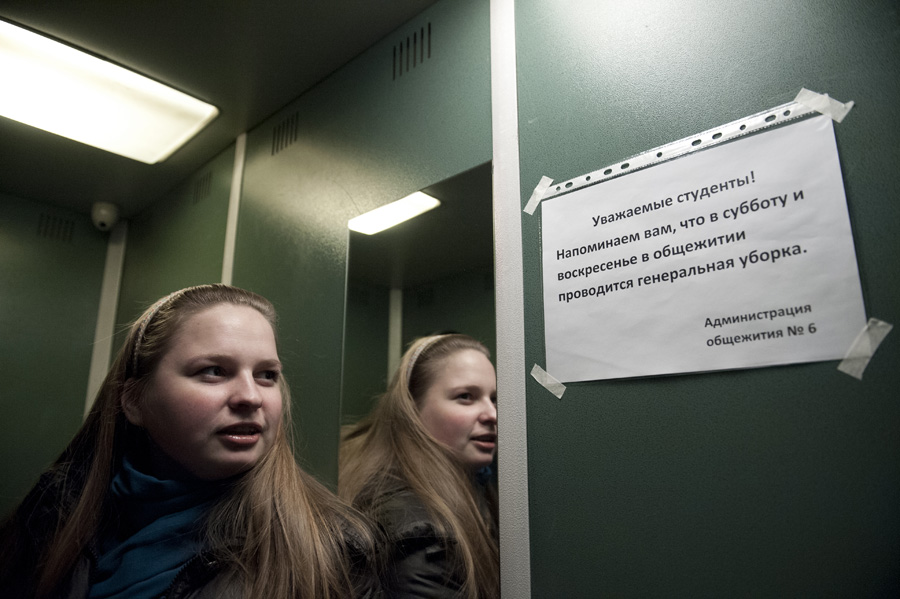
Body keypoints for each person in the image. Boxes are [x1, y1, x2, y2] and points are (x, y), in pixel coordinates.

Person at [0, 284, 380, 599]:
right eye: (214, 371)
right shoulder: (53, 513)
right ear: (134, 400)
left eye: (266, 375)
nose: (250, 396)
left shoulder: (336, 550)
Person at [339, 334, 499, 599]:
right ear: (412, 410)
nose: (492, 414)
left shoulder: (471, 487)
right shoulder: (423, 535)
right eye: (466, 397)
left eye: (493, 398)